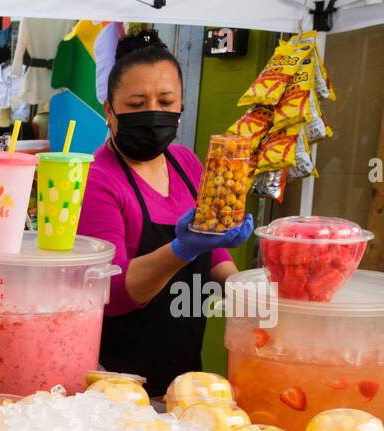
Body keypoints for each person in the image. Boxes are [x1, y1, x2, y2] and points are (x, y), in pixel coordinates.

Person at [77, 30, 254, 396]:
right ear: (109, 110)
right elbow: (110, 291)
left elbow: (213, 250)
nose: (153, 112)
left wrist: (247, 291)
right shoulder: (98, 178)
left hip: (186, 378)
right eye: (137, 103)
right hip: (120, 386)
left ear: (180, 107)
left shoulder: (186, 163)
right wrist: (181, 249)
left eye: (166, 101)